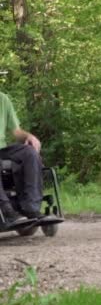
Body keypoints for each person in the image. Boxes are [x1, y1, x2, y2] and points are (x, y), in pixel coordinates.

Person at [0, 91, 44, 230]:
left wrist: (30, 136)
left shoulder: (2, 99)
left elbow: (16, 131)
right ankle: (7, 210)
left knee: (29, 153)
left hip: (2, 149)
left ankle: (31, 208)